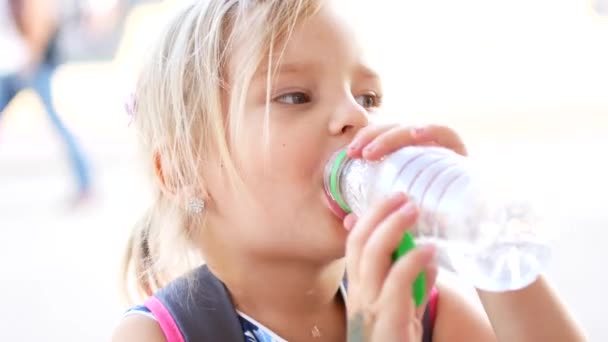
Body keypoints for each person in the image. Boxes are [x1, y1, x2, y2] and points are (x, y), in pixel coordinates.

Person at [112, 1, 586, 341]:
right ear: (181, 171)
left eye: (368, 98)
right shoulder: (162, 334)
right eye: (295, 96)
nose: (357, 117)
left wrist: (484, 237)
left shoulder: (426, 313)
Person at [0, 0, 91, 203]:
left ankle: (85, 183)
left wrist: (32, 59)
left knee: (59, 123)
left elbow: (40, 20)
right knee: (59, 122)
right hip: (12, 65)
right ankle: (85, 183)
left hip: (31, 65)